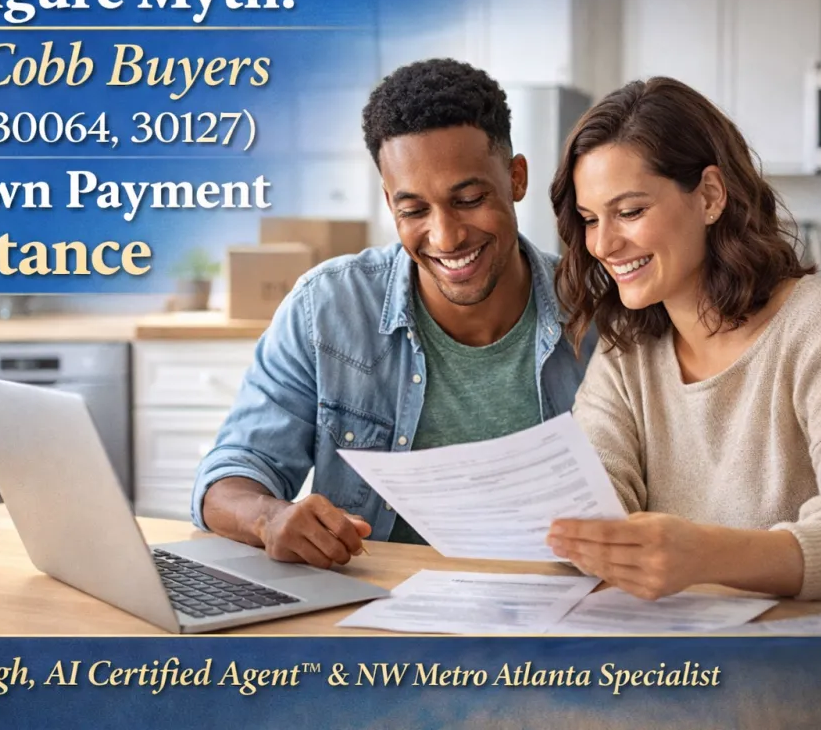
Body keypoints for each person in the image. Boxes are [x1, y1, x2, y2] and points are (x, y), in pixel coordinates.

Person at [190, 58, 594, 568]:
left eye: (468, 199)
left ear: (516, 178)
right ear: (389, 202)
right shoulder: (328, 308)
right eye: (414, 211)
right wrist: (269, 517)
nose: (446, 237)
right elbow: (229, 475)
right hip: (374, 615)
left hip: (551, 620)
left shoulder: (600, 317)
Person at [546, 76, 821, 601]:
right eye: (589, 219)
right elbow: (600, 486)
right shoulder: (626, 352)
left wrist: (706, 556)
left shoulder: (816, 328)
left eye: (630, 211)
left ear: (710, 197)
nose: (604, 244)